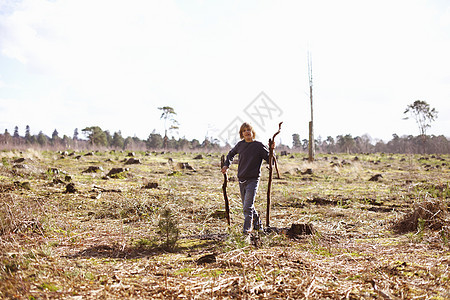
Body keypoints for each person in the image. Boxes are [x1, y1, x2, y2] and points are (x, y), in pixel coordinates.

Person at [221, 122, 271, 234]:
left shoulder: (259, 146)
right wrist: (226, 165)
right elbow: (230, 154)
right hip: (241, 179)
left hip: (253, 180)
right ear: (242, 134)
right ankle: (259, 227)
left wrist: (272, 151)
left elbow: (270, 158)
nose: (247, 132)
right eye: (244, 130)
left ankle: (247, 231)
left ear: (252, 132)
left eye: (248, 129)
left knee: (247, 207)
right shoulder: (240, 145)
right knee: (248, 206)